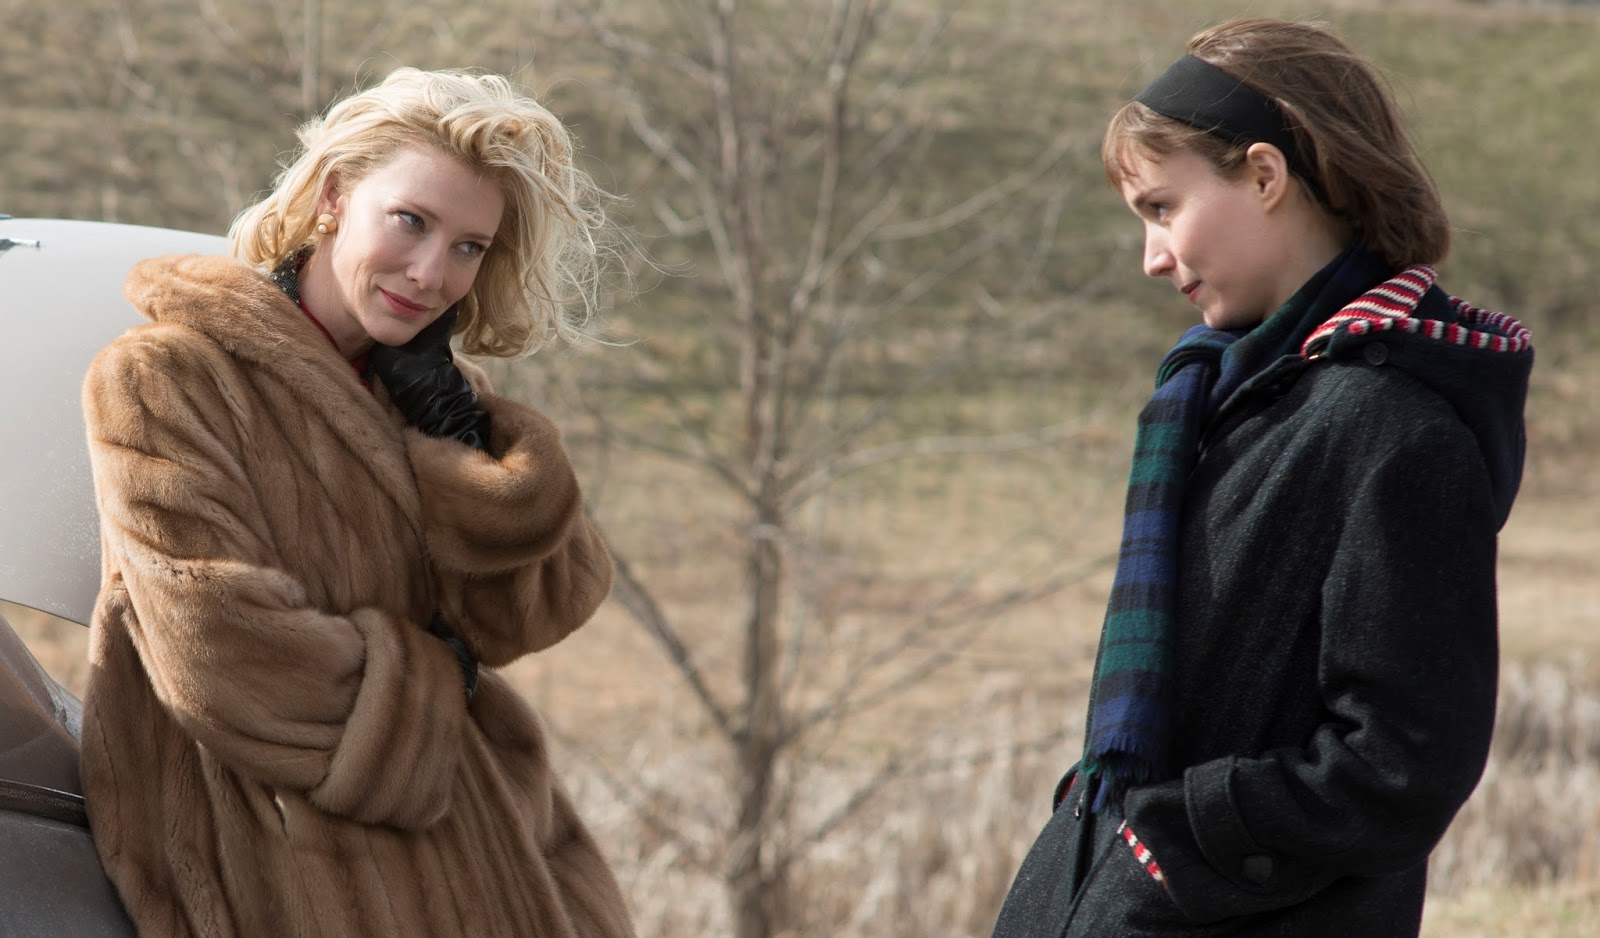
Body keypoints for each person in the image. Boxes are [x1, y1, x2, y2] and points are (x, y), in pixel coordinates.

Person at [992, 17, 1532, 938]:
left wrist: (1173, 846)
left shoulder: (1394, 431)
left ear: (1266, 175)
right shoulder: (1230, 399)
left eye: (1162, 208)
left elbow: (1404, 764)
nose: (1152, 257)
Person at [80, 68, 635, 937]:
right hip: (270, 820)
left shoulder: (426, 391)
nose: (430, 273)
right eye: (410, 221)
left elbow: (535, 610)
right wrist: (425, 693)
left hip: (475, 816)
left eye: (468, 247)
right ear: (335, 196)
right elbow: (218, 650)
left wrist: (460, 437)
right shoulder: (165, 376)